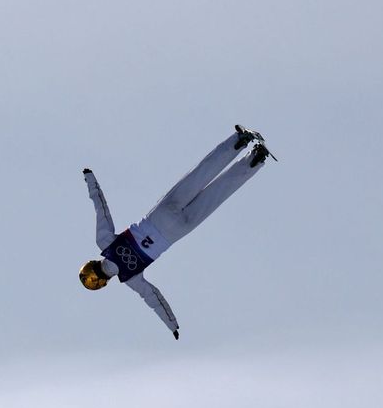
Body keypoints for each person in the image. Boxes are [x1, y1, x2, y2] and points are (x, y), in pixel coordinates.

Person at [79, 126, 271, 339]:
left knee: (216, 196)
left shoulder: (131, 278)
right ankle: (238, 141)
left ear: (104, 283)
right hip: (158, 217)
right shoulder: (105, 243)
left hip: (176, 232)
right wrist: (90, 179)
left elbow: (154, 299)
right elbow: (101, 208)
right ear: (92, 264)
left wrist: (173, 325)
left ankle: (254, 160)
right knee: (198, 176)